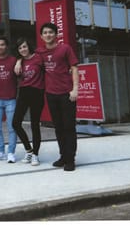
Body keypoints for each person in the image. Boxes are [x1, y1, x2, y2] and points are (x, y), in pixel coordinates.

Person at [37, 22, 79, 171]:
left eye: (51, 32)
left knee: (69, 127)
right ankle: (63, 156)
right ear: (41, 36)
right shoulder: (40, 52)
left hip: (67, 94)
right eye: (45, 33)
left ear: (56, 34)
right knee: (59, 128)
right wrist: (18, 61)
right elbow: (26, 55)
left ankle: (71, 159)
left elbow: (74, 68)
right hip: (51, 94)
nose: (48, 35)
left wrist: (75, 89)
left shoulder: (65, 48)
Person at [12, 38, 45, 166]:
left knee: (34, 124)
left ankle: (36, 154)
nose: (23, 50)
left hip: (37, 92)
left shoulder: (38, 57)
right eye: (20, 48)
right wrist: (19, 61)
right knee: (15, 123)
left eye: (24, 47)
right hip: (24, 92)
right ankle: (29, 150)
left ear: (29, 46)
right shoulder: (19, 61)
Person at [0, 36, 18, 163]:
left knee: (12, 128)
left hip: (11, 99)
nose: (0, 47)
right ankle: (1, 151)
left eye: (2, 45)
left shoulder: (14, 60)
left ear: (6, 46)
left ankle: (11, 152)